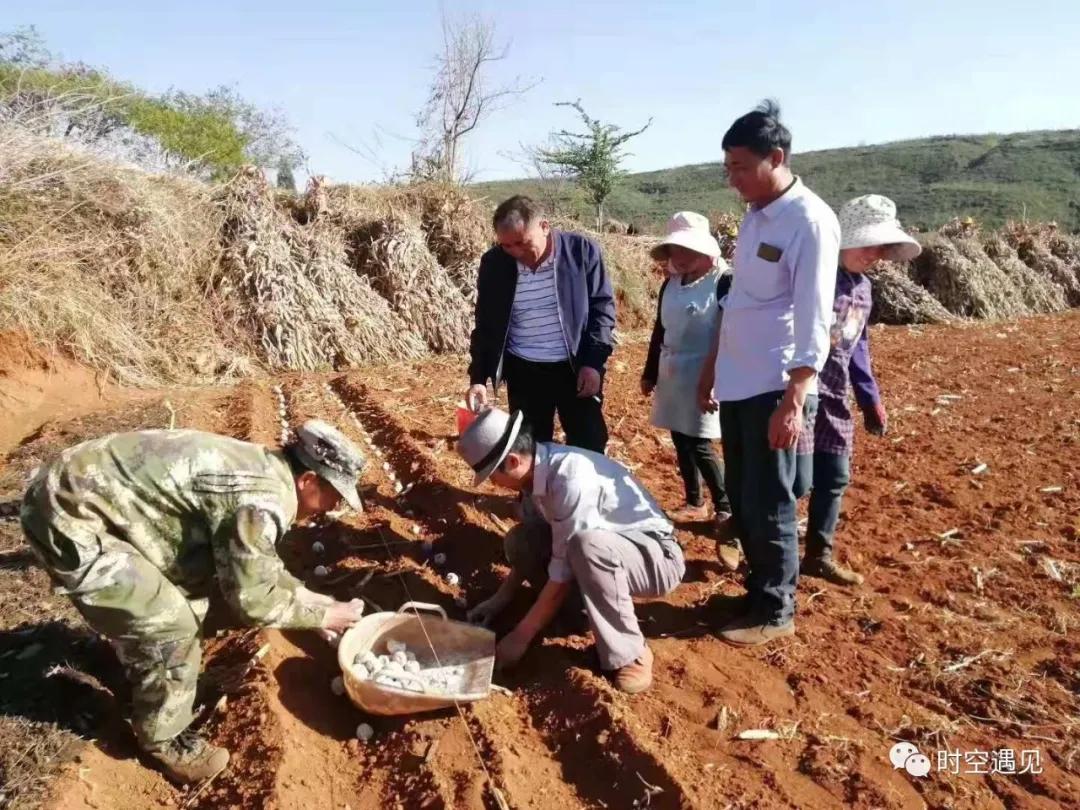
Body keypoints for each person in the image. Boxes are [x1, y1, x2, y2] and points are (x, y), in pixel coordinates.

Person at [20, 421, 368, 784]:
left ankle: (156, 675)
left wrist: (313, 598)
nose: (335, 506)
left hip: (90, 492)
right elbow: (253, 601)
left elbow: (256, 565)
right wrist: (323, 616)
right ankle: (164, 740)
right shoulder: (264, 500)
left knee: (194, 591)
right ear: (309, 480)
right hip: (68, 513)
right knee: (171, 625)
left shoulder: (269, 470)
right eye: (336, 495)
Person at [697, 100, 839, 646]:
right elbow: (742, 306)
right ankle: (757, 589)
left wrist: (795, 396)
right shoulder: (757, 216)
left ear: (775, 157)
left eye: (738, 166)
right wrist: (713, 370)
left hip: (774, 385)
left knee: (772, 499)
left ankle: (777, 609)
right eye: (727, 166)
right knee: (744, 493)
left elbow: (813, 313)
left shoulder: (810, 221)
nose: (731, 179)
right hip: (739, 382)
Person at [458, 407, 683, 694]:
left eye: (491, 476)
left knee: (587, 546)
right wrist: (501, 598)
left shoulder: (569, 479)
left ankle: (632, 653)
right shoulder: (535, 477)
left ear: (513, 461)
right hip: (608, 552)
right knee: (523, 541)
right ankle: (577, 612)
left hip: (655, 558)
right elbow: (554, 546)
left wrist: (521, 636)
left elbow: (565, 566)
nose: (492, 484)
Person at [797, 194, 921, 585]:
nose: (874, 254)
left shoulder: (864, 290)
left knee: (834, 477)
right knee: (795, 481)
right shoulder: (813, 277)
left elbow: (858, 345)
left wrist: (871, 399)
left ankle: (819, 554)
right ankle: (750, 536)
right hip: (798, 394)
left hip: (835, 395)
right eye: (869, 244)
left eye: (881, 248)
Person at [465, 195, 616, 454]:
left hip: (575, 368)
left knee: (588, 443)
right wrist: (478, 377)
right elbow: (486, 324)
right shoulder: (494, 264)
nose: (515, 252)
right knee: (529, 447)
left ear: (545, 227)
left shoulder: (581, 252)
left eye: (522, 243)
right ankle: (533, 495)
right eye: (507, 246)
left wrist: (593, 363)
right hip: (524, 371)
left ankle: (582, 494)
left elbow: (602, 310)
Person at [641, 212, 733, 531]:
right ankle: (694, 501)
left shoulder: (724, 281)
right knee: (681, 439)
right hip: (673, 373)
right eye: (674, 250)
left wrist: (717, 379)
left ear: (703, 251)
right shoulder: (672, 284)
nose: (677, 257)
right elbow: (659, 330)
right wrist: (650, 372)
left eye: (684, 250)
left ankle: (725, 507)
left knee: (701, 442)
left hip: (706, 373)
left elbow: (730, 334)